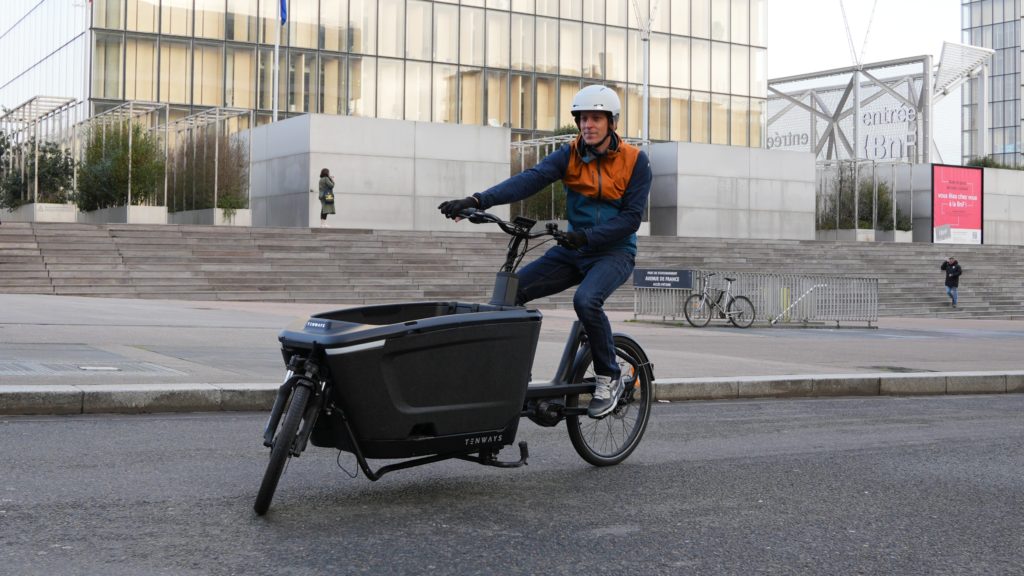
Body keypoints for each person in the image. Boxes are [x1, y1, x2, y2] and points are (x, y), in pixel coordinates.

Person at [438, 84, 652, 419]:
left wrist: (588, 237)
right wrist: (477, 200)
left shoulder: (636, 161)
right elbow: (530, 179)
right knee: (509, 296)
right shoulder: (568, 154)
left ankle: (609, 376)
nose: (587, 125)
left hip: (614, 252)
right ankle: (515, 377)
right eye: (582, 119)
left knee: (586, 300)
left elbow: (631, 219)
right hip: (572, 249)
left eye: (595, 118)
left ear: (612, 122)